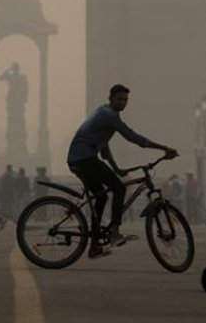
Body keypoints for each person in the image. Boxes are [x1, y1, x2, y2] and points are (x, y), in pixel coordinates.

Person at [66, 84, 177, 258]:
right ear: (110, 98)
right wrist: (163, 148)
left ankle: (94, 245)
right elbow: (132, 137)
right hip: (85, 158)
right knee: (119, 188)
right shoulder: (109, 115)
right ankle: (115, 232)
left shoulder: (104, 113)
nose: (123, 103)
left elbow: (104, 147)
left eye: (126, 100)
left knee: (101, 197)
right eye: (120, 99)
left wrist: (116, 168)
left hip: (78, 158)